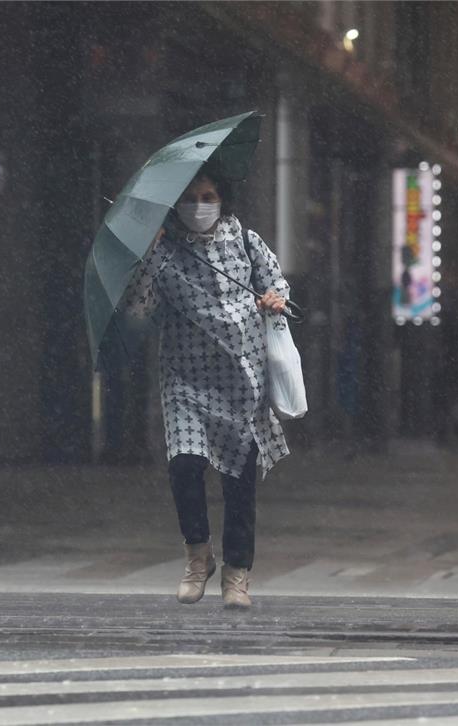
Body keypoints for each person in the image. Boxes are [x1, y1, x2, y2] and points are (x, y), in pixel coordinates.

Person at [122, 170, 291, 609]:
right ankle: (198, 556)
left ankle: (237, 574)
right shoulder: (165, 253)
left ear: (223, 199)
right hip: (186, 383)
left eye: (208, 196)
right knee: (184, 466)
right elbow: (139, 307)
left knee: (240, 485)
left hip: (241, 384)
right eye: (191, 198)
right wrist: (150, 251)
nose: (200, 206)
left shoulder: (248, 243)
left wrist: (274, 298)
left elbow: (276, 284)